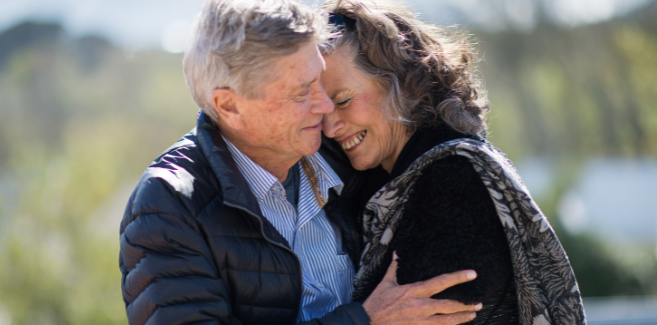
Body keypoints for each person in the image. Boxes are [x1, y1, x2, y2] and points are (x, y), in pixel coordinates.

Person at [118, 0, 482, 324]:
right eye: (301, 92)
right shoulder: (167, 206)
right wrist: (367, 321)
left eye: (319, 82)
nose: (325, 107)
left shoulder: (347, 153)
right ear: (229, 105)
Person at [319, 0, 587, 324]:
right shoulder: (395, 178)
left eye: (343, 100)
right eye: (320, 109)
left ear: (400, 83)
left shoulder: (454, 182)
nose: (330, 127)